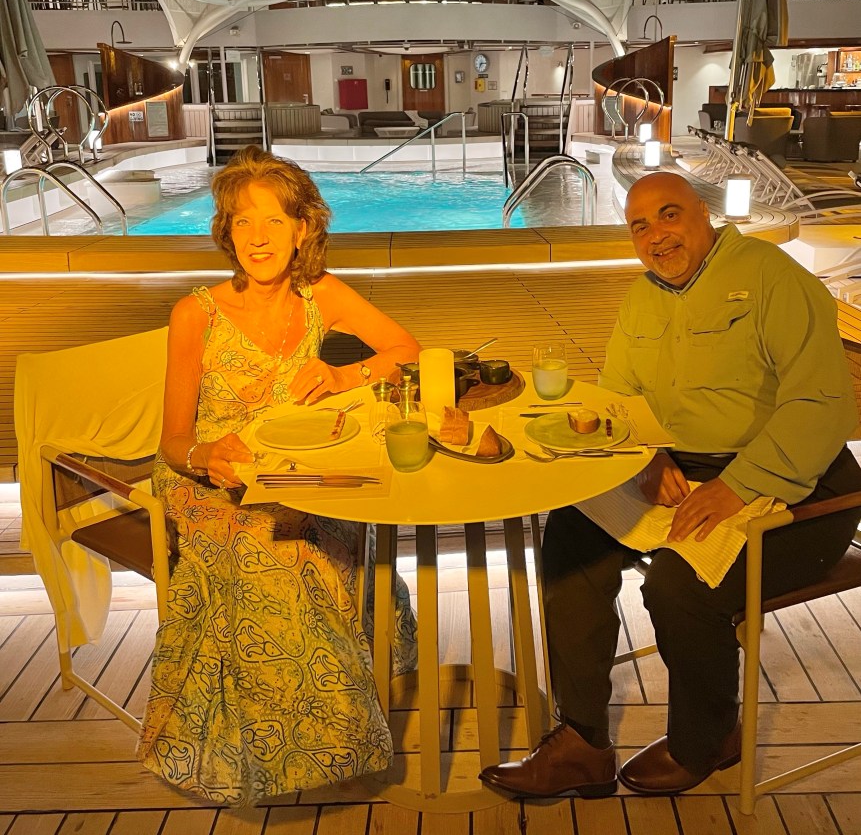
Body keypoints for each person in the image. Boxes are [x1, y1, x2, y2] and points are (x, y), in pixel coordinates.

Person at [480, 171, 861, 799]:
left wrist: (738, 486)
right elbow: (621, 394)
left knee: (680, 586)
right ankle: (582, 742)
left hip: (806, 491)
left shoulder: (772, 277)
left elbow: (820, 405)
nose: (656, 235)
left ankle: (707, 738)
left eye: (669, 215)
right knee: (571, 536)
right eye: (640, 226)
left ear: (704, 215)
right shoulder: (643, 298)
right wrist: (649, 456)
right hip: (687, 472)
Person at [138, 146, 420, 805]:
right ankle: (276, 751)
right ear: (226, 231)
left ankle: (327, 733)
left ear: (303, 228)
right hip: (208, 480)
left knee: (345, 524)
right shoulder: (196, 313)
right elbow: (173, 441)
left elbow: (406, 350)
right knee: (276, 553)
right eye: (242, 221)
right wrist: (206, 457)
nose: (257, 237)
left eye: (273, 220)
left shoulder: (322, 294)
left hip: (296, 470)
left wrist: (344, 376)